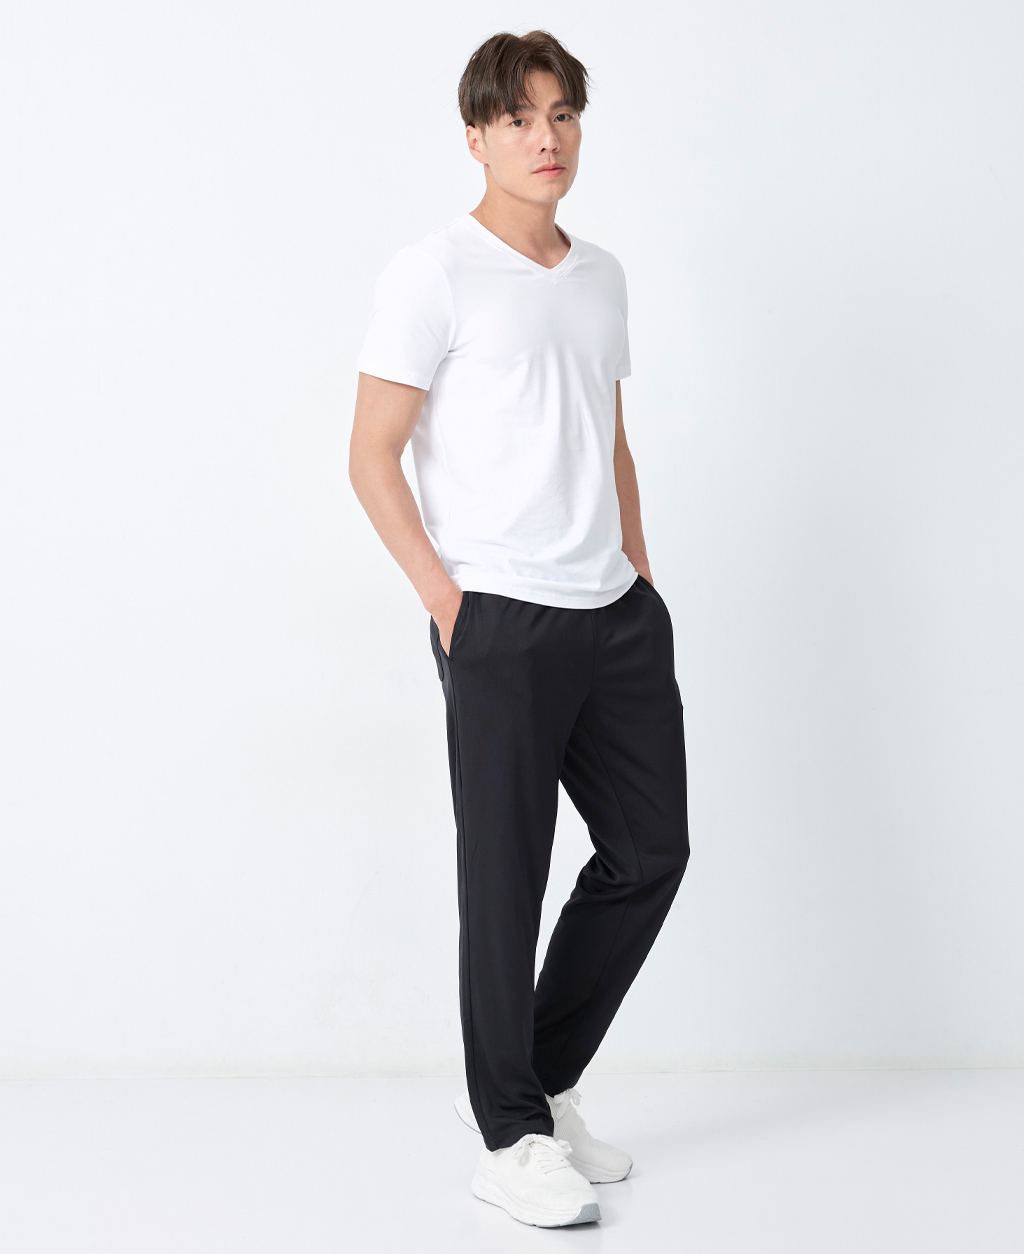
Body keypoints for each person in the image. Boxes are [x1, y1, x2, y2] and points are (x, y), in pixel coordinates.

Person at [349, 29, 689, 1229]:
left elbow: (608, 436)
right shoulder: (432, 273)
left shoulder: (600, 275)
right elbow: (372, 456)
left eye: (562, 116)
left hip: (613, 615)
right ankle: (507, 1135)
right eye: (519, 119)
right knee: (505, 879)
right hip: (498, 615)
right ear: (476, 138)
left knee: (650, 852)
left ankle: (533, 1084)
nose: (546, 139)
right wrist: (450, 608)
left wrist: (639, 576)